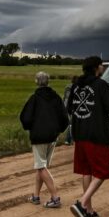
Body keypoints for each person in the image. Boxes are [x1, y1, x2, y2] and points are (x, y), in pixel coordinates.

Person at [67, 56, 109, 217]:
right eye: (101, 65)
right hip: (97, 134)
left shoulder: (76, 85)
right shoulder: (100, 85)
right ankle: (81, 203)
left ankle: (88, 210)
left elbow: (70, 108)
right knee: (102, 172)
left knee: (86, 171)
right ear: (97, 67)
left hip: (79, 134)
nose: (102, 67)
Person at [19, 71, 69, 208]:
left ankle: (55, 197)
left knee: (41, 166)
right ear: (48, 82)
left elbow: (25, 118)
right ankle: (36, 196)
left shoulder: (34, 98)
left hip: (39, 136)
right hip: (52, 136)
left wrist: (31, 128)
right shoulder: (56, 98)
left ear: (36, 81)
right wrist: (58, 130)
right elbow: (65, 118)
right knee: (41, 166)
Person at [62, 75, 77, 145]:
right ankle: (69, 140)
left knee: (70, 123)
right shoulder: (76, 88)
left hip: (65, 106)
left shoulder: (67, 87)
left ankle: (70, 139)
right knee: (71, 124)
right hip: (71, 107)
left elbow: (64, 97)